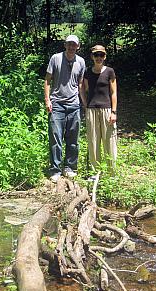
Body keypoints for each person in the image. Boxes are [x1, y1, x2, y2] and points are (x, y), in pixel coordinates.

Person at [44, 35, 86, 183]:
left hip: (74, 105)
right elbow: (48, 80)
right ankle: (55, 169)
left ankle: (69, 167)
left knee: (73, 139)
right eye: (69, 44)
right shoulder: (55, 58)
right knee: (55, 138)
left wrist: (84, 103)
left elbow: (80, 85)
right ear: (65, 45)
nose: (71, 47)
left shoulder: (81, 61)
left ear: (78, 46)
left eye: (74, 45)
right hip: (56, 105)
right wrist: (47, 99)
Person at [82, 45, 117, 174]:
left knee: (109, 142)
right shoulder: (87, 72)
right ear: (92, 56)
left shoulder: (110, 71)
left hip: (107, 110)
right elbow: (82, 88)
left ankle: (111, 172)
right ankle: (94, 172)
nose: (99, 58)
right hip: (91, 110)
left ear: (105, 56)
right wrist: (85, 103)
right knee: (93, 142)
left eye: (101, 55)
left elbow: (114, 93)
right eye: (96, 55)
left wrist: (113, 112)